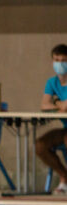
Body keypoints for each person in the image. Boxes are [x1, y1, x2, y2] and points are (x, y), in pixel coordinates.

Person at [35, 44, 67, 193]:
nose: (60, 63)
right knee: (40, 145)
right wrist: (57, 103)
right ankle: (64, 176)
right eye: (57, 60)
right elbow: (44, 105)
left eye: (64, 60)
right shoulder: (52, 82)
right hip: (65, 128)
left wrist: (55, 103)